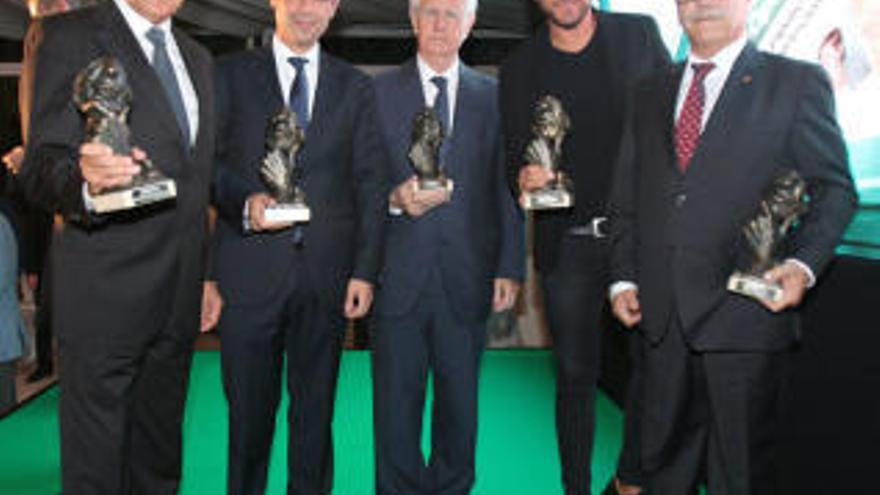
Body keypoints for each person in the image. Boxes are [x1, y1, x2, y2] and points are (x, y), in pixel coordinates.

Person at [609, 0, 857, 493]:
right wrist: (623, 276)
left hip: (746, 320)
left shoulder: (795, 83)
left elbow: (835, 190)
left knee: (739, 477)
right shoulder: (648, 91)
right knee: (662, 472)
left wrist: (803, 265)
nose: (703, 4)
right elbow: (626, 199)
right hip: (661, 325)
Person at [19, 0, 222, 492]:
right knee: (97, 468)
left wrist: (206, 275)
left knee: (157, 457)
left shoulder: (198, 57)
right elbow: (41, 162)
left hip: (178, 296)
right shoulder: (65, 34)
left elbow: (200, 183)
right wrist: (86, 186)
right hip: (103, 293)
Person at [210, 0, 388, 492]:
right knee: (248, 424)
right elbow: (209, 166)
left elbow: (371, 183)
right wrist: (245, 205)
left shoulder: (356, 87)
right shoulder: (228, 75)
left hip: (326, 280)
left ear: (334, 8)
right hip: (248, 276)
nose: (306, 8)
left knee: (314, 423)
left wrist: (365, 271)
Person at [498, 1, 668, 493]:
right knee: (574, 379)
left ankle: (629, 479)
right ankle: (575, 487)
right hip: (568, 247)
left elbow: (672, 120)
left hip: (637, 242)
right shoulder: (520, 67)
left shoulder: (638, 35)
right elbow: (512, 158)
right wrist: (524, 177)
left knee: (655, 368)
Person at [371, 0, 525, 492]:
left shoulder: (495, 96)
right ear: (413, 20)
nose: (441, 24)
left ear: (471, 23)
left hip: (468, 277)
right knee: (396, 409)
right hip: (395, 277)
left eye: (452, 14)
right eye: (431, 12)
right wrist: (393, 199)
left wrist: (509, 265)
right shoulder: (374, 94)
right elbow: (355, 184)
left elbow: (505, 187)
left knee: (460, 409)